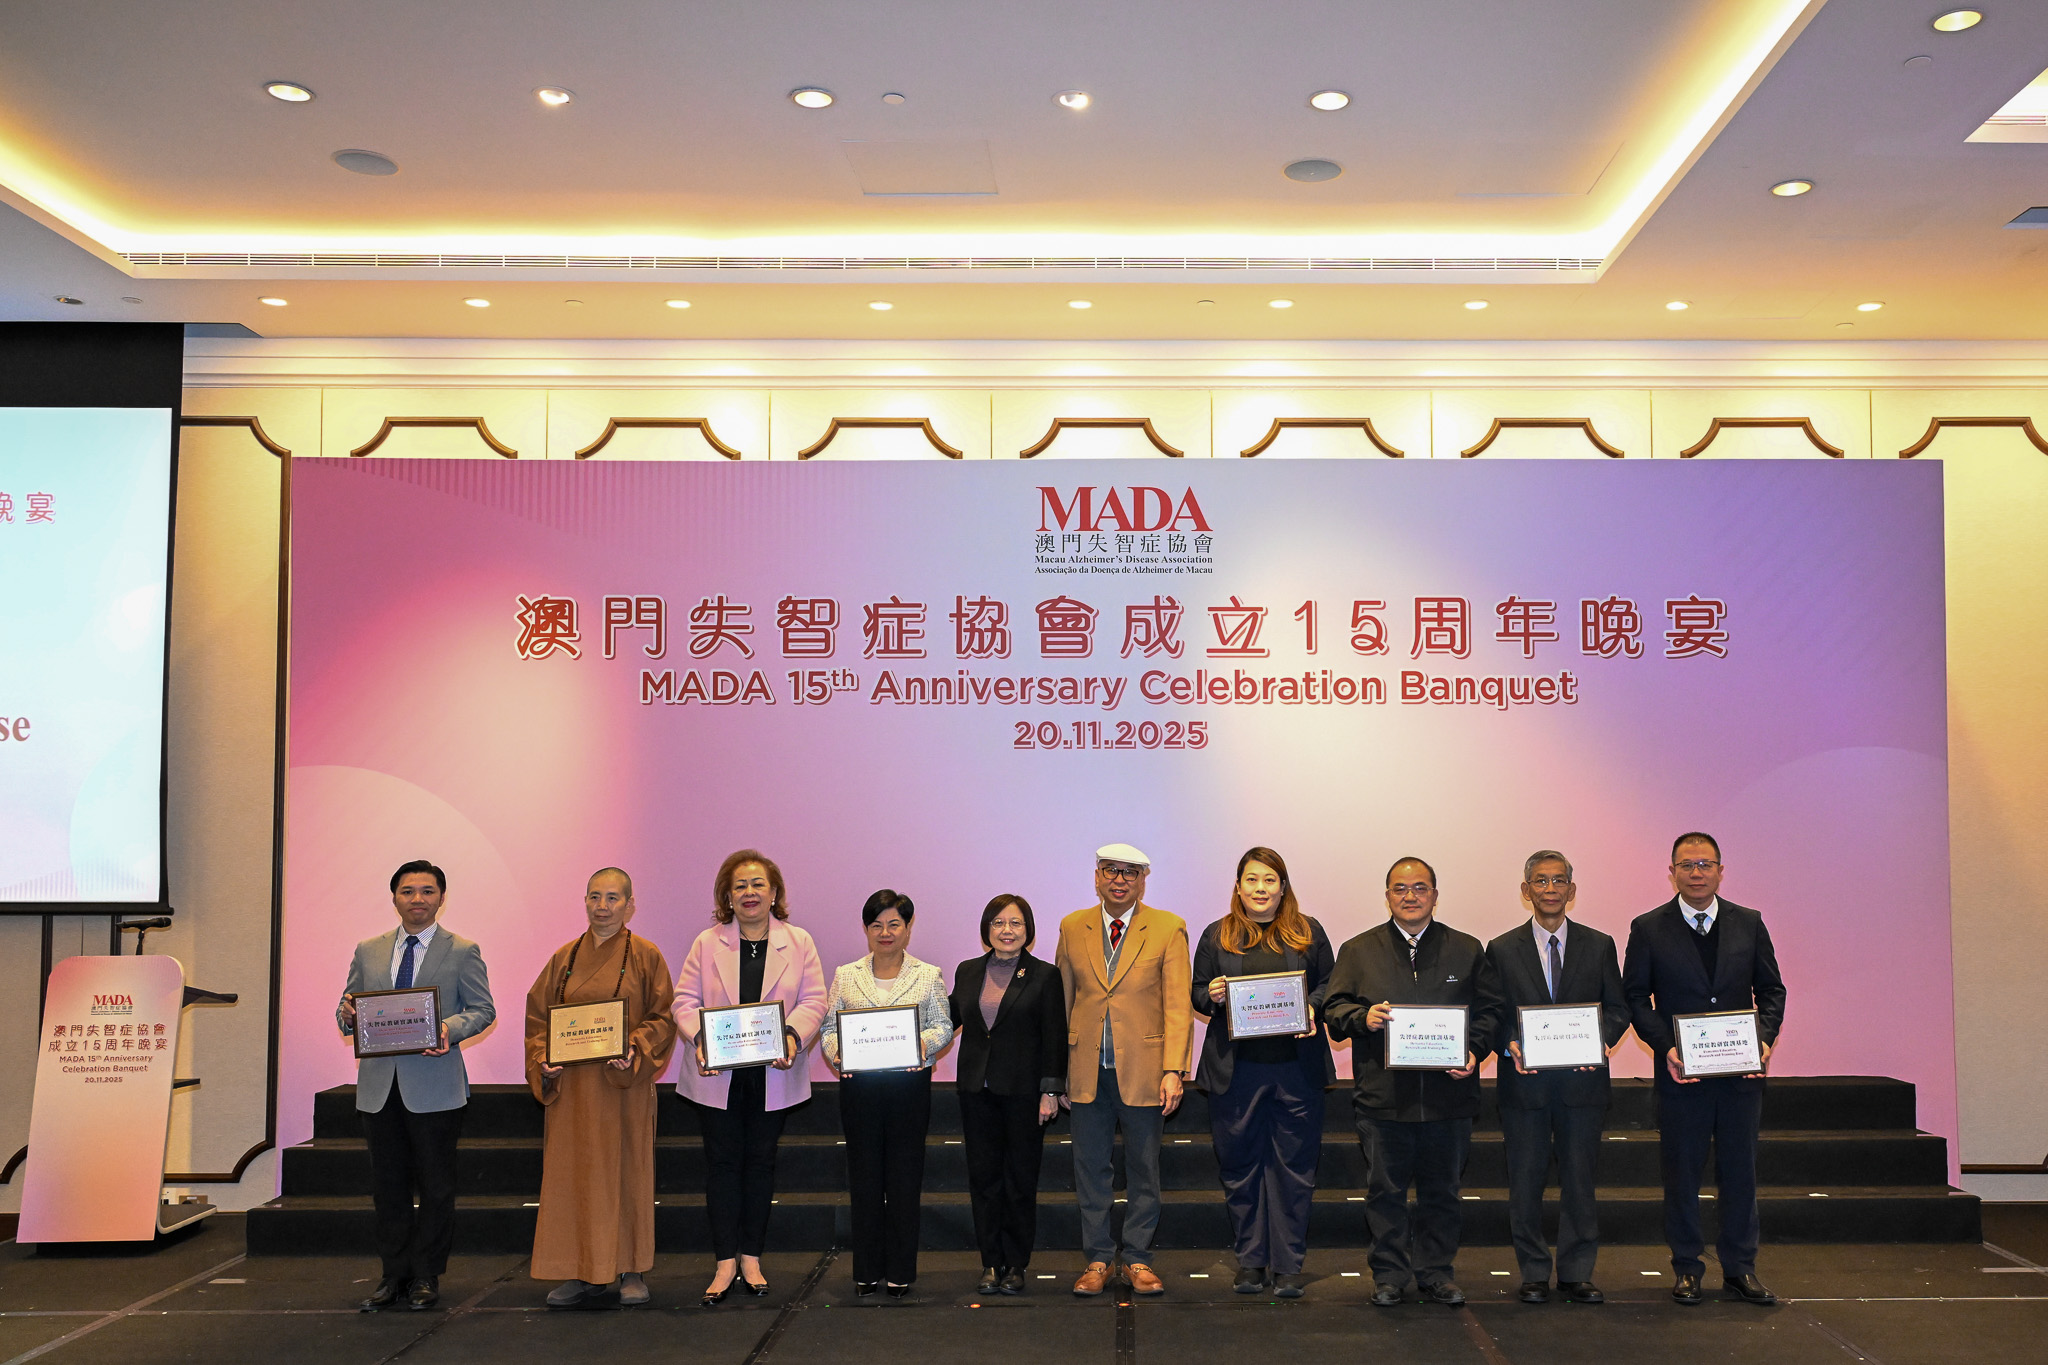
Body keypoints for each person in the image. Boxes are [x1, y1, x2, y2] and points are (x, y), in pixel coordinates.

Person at [1323, 856, 1503, 1309]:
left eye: (1420, 888)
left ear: (1435, 896)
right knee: (1386, 1194)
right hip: (1383, 1100)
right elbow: (1334, 1011)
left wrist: (1475, 1050)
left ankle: (1436, 1273)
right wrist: (1362, 1017)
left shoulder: (1466, 948)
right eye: (1400, 889)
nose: (1410, 896)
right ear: (1387, 896)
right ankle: (1389, 1275)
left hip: (1450, 1099)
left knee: (1443, 1194)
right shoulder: (1358, 950)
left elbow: (1490, 1012)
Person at [1622, 833, 1787, 1308]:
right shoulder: (1648, 927)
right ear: (1671, 872)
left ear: (1721, 870)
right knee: (1682, 1175)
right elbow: (1636, 997)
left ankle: (1739, 1269)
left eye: (1706, 864)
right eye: (1687, 865)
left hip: (1740, 1077)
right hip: (1680, 1076)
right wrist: (1666, 1047)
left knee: (1740, 1174)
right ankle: (1688, 1268)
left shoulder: (1749, 923)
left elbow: (1771, 991)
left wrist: (1765, 1039)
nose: (1697, 873)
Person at [337, 859, 496, 1312]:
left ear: (441, 898)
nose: (418, 899)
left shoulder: (463, 950)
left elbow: (483, 1010)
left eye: (427, 891)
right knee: (387, 1186)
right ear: (394, 898)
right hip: (379, 1088)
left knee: (436, 1185)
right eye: (408, 891)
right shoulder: (368, 949)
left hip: (436, 1086)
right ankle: (393, 1275)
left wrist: (448, 1028)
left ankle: (426, 1275)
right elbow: (347, 1008)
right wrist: (347, 1015)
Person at [673, 850, 828, 1307]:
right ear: (727, 895)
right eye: (740, 886)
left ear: (774, 892)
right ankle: (724, 1261)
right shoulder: (707, 942)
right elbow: (684, 1001)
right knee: (721, 1165)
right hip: (717, 1073)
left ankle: (752, 1256)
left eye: (758, 884)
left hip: (772, 1073)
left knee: (761, 1164)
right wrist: (700, 1038)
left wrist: (793, 1038)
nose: (749, 893)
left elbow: (815, 1000)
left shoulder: (798, 941)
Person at [524, 868, 677, 1309]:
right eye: (595, 896)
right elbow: (539, 1020)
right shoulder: (564, 958)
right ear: (585, 901)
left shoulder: (646, 955)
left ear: (630, 905)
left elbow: (663, 1017)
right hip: (573, 1089)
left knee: (627, 1169)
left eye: (613, 898)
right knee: (575, 1174)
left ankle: (631, 1269)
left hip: (622, 1085)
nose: (603, 906)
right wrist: (543, 1062)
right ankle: (581, 1270)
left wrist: (635, 1047)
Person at [1484, 850, 1630, 1306]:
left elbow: (1619, 1007)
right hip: (1523, 1086)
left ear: (1572, 889)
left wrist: (1600, 1042)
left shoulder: (1599, 944)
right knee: (1525, 1182)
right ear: (1526, 891)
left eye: (1559, 881)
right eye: (1541, 881)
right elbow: (1493, 1014)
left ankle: (1576, 1272)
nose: (1550, 889)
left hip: (1581, 1087)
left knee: (1580, 1183)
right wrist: (1508, 1041)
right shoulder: (1501, 948)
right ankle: (1532, 1271)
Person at [1190, 846, 1336, 1299]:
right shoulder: (1218, 935)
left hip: (1296, 1070)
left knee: (1294, 1169)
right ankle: (1252, 1261)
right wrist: (1211, 994)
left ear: (1283, 886)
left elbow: (1332, 985)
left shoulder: (1308, 932)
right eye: (1252, 880)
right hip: (1237, 1073)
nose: (1260, 889)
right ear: (1238, 886)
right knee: (1240, 1167)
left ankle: (1289, 1264)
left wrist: (1311, 1006)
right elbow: (1196, 993)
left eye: (1270, 880)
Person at [1054, 842, 1192, 1299]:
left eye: (1130, 873)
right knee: (1090, 1168)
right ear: (1096, 876)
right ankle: (1097, 1258)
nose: (1119, 880)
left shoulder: (1169, 928)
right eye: (1111, 871)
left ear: (1142, 880)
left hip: (1147, 1072)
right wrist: (1057, 1075)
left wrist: (1175, 1069)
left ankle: (1136, 1258)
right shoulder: (1073, 927)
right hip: (1086, 1071)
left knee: (1143, 1170)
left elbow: (1177, 1007)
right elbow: (1062, 1004)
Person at [822, 889, 954, 1297]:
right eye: (876, 924)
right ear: (866, 929)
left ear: (907, 929)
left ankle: (899, 1271)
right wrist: (839, 1054)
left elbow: (943, 1027)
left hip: (908, 1088)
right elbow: (829, 1029)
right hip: (860, 1089)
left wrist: (920, 1046)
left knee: (903, 1180)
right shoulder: (846, 974)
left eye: (894, 924)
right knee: (863, 1180)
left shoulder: (928, 974)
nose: (885, 932)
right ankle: (866, 1270)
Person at [948, 894, 1067, 1296]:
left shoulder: (1044, 976)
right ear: (986, 929)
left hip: (1023, 1094)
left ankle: (1016, 1264)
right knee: (983, 1180)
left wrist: (1051, 1091)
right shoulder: (967, 972)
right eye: (998, 923)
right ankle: (989, 1263)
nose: (1007, 931)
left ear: (1028, 931)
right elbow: (945, 1020)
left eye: (1015, 923)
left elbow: (1054, 1036)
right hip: (975, 1092)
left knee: (1019, 1180)